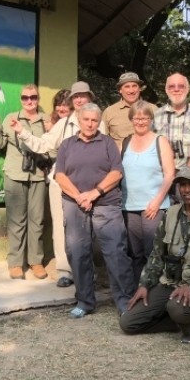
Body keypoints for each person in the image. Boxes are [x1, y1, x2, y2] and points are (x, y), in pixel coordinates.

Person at [119, 167, 190, 344]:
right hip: (169, 284)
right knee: (128, 323)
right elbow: (157, 254)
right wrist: (145, 285)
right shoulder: (170, 214)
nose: (186, 190)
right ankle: (175, 322)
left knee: (178, 308)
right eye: (182, 185)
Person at [12, 81, 103, 288]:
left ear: (90, 98)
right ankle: (65, 271)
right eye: (76, 97)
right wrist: (22, 132)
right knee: (61, 227)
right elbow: (43, 144)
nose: (79, 100)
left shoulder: (98, 121)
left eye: (83, 96)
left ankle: (87, 271)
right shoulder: (64, 123)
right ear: (72, 100)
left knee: (86, 228)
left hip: (88, 186)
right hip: (60, 183)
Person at [55, 103, 136, 317]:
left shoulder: (108, 143)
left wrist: (93, 194)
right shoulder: (66, 145)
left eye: (94, 120)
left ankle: (124, 302)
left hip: (106, 203)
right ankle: (85, 302)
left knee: (115, 252)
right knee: (77, 251)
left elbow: (117, 172)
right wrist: (79, 196)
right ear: (79, 121)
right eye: (86, 119)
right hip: (75, 204)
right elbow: (60, 176)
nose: (90, 124)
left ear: (98, 122)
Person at [0, 84, 50, 280]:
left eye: (33, 97)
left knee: (37, 220)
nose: (29, 101)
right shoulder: (11, 118)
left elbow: (50, 146)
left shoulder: (46, 120)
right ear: (21, 99)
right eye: (25, 97)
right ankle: (15, 263)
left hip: (38, 173)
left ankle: (36, 261)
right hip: (15, 173)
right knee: (16, 220)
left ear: (38, 99)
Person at [120, 101, 176, 282]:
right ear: (131, 120)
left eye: (145, 118)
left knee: (152, 251)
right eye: (136, 118)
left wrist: (157, 201)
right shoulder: (126, 142)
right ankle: (138, 291)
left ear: (151, 119)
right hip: (129, 206)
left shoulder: (160, 141)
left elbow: (169, 174)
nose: (141, 122)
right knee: (135, 253)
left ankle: (155, 294)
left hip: (154, 206)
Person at [153, 72, 190, 169]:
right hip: (162, 174)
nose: (176, 89)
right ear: (166, 90)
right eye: (172, 86)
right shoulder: (156, 115)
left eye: (181, 86)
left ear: (188, 89)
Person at [102, 71, 154, 149]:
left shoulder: (153, 109)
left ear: (139, 88)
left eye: (134, 86)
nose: (131, 91)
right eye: (127, 87)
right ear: (120, 90)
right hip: (119, 159)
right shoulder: (109, 112)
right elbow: (102, 141)